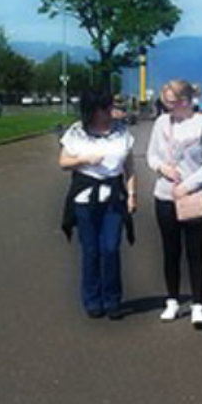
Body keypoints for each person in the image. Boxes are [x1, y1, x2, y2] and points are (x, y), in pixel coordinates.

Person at [146, 79, 202, 328]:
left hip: (193, 196)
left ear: (185, 102)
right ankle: (172, 301)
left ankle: (198, 305)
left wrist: (188, 185)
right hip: (165, 194)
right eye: (165, 102)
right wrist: (162, 167)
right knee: (170, 251)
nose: (166, 107)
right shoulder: (161, 123)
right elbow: (151, 155)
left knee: (195, 252)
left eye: (171, 102)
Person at [59, 88, 137, 318]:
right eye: (105, 108)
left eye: (110, 106)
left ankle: (112, 298)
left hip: (114, 196)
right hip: (85, 198)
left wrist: (132, 194)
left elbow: (130, 166)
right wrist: (83, 159)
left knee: (111, 248)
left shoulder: (122, 132)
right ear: (92, 110)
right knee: (91, 250)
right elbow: (63, 162)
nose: (110, 112)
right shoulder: (76, 132)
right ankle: (92, 299)